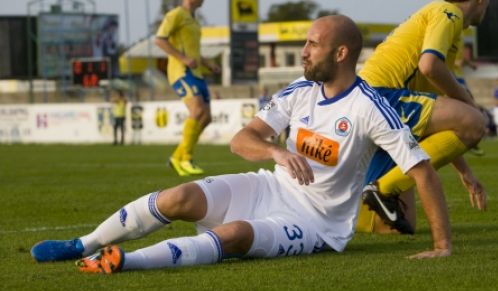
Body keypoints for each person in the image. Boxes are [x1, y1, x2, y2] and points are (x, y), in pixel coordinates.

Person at [30, 15, 453, 274]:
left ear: (341, 53)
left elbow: (421, 170)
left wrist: (441, 247)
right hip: (271, 186)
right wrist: (276, 152)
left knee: (234, 235)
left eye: (312, 44)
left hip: (316, 225)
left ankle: (124, 261)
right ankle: (84, 245)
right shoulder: (299, 91)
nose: (303, 52)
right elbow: (241, 139)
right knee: (179, 197)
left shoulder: (370, 107)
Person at [356, 0, 490, 234]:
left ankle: (349, 216)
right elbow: (430, 66)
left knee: (396, 227)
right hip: (381, 98)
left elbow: (441, 116)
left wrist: (465, 173)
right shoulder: (447, 13)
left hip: (371, 102)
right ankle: (382, 189)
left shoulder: (438, 21)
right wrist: (469, 103)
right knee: (476, 121)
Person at [155, 0, 219, 177]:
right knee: (197, 110)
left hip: (196, 72)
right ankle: (186, 158)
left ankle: (176, 156)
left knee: (206, 117)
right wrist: (182, 58)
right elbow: (159, 40)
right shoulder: (176, 14)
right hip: (181, 72)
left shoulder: (193, 20)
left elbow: (193, 52)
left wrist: (207, 63)